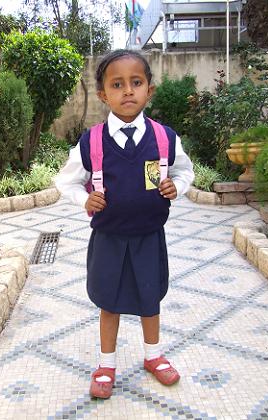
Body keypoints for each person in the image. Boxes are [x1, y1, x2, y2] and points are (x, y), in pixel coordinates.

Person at [55, 49, 194, 399]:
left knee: (151, 298)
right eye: (117, 84)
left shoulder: (164, 139)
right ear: (103, 94)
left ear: (150, 89)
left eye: (136, 82)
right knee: (109, 301)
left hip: (150, 235)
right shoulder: (92, 142)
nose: (127, 91)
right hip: (109, 238)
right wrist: (84, 199)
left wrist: (177, 185)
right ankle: (106, 363)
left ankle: (153, 355)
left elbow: (185, 170)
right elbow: (66, 182)